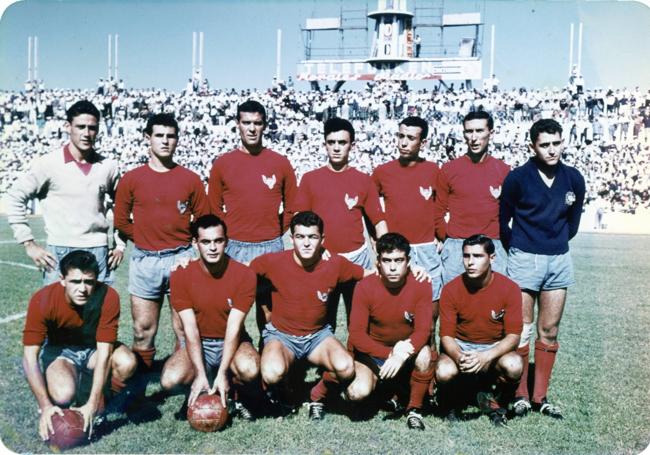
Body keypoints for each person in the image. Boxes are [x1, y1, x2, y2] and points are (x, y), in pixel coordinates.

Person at [500, 118, 585, 419]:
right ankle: (520, 395)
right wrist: (520, 248)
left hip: (559, 259)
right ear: (532, 147)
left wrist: (554, 243)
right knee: (521, 329)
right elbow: (504, 221)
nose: (552, 150)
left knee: (549, 329)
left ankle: (540, 397)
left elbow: (572, 223)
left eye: (556, 143)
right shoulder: (518, 178)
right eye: (545, 145)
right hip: (524, 257)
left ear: (563, 142)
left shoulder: (574, 178)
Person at [250, 211, 371, 420]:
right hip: (282, 335)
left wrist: (413, 270)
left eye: (313, 237)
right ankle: (285, 393)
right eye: (300, 237)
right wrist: (191, 264)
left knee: (345, 368)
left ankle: (319, 393)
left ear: (322, 240)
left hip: (317, 337)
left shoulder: (335, 264)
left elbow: (371, 274)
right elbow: (237, 272)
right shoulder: (272, 262)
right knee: (271, 372)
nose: (306, 243)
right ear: (292, 239)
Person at [114, 113, 210, 372]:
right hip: (145, 260)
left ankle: (185, 383)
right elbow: (121, 221)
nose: (165, 141)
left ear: (177, 139)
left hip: (181, 258)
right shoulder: (131, 179)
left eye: (171, 136)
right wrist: (145, 238)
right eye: (160, 136)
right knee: (143, 329)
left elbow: (204, 220)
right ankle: (141, 388)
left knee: (184, 328)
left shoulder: (190, 179)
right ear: (148, 138)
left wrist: (186, 245)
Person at [22, 250, 137, 441]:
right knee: (63, 395)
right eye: (75, 282)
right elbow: (29, 358)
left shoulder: (108, 296)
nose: (82, 289)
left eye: (88, 282)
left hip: (94, 350)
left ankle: (103, 402)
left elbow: (105, 353)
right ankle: (70, 385)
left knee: (126, 362)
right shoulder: (43, 299)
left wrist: (93, 403)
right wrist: (45, 406)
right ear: (62, 280)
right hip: (61, 352)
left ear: (97, 280)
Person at [7, 100, 124, 284]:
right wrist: (28, 243)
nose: (86, 133)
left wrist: (120, 246)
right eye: (80, 127)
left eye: (92, 128)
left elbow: (124, 206)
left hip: (98, 252)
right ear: (68, 127)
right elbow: (14, 197)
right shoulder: (47, 164)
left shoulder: (108, 166)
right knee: (57, 312)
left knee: (99, 312)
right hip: (59, 251)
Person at [208, 100, 298, 337]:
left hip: (270, 245)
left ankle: (268, 360)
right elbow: (214, 207)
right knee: (229, 309)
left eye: (257, 123)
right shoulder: (223, 163)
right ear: (237, 124)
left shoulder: (280, 163)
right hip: (234, 246)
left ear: (264, 125)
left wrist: (275, 232)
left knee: (269, 310)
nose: (251, 128)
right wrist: (229, 235)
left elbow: (291, 206)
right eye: (246, 122)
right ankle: (232, 360)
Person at [160, 215, 261, 420]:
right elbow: (190, 328)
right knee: (170, 379)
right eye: (206, 241)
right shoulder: (181, 274)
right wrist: (198, 372)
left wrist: (223, 372)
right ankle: (198, 388)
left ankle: (234, 393)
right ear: (195, 244)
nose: (212, 247)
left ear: (227, 241)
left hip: (231, 340)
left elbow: (234, 328)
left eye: (218, 241)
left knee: (250, 369)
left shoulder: (244, 275)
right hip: (198, 341)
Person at [295, 117, 387, 332]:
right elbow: (299, 220)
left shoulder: (363, 180)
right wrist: (316, 250)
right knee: (322, 318)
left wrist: (386, 254)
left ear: (351, 146)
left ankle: (359, 360)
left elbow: (378, 220)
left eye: (342, 142)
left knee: (360, 317)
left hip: (357, 259)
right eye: (331, 142)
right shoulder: (310, 179)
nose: (336, 147)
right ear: (324, 144)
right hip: (324, 259)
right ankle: (322, 361)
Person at [346, 233, 433, 430]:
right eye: (387, 260)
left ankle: (414, 409)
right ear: (378, 262)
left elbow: (423, 331)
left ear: (408, 261)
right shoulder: (364, 287)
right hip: (373, 353)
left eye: (399, 260)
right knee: (356, 392)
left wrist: (402, 354)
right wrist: (390, 355)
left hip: (405, 353)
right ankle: (383, 391)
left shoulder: (422, 283)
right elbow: (356, 335)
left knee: (425, 354)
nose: (393, 267)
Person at [436, 235, 523, 427]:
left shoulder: (509, 288)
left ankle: (496, 403)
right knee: (443, 370)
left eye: (477, 256)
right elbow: (446, 336)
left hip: (492, 347)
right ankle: (450, 403)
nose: (470, 262)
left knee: (514, 364)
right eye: (466, 256)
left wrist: (486, 356)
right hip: (461, 345)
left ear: (492, 258)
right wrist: (459, 357)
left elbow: (514, 335)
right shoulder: (451, 289)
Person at [434, 110, 510, 286]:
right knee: (454, 305)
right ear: (464, 134)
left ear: (491, 133)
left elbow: (510, 213)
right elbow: (437, 212)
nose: (474, 137)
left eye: (479, 131)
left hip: (493, 246)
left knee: (493, 306)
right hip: (456, 248)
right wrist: (450, 240)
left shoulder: (504, 170)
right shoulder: (449, 169)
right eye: (469, 131)